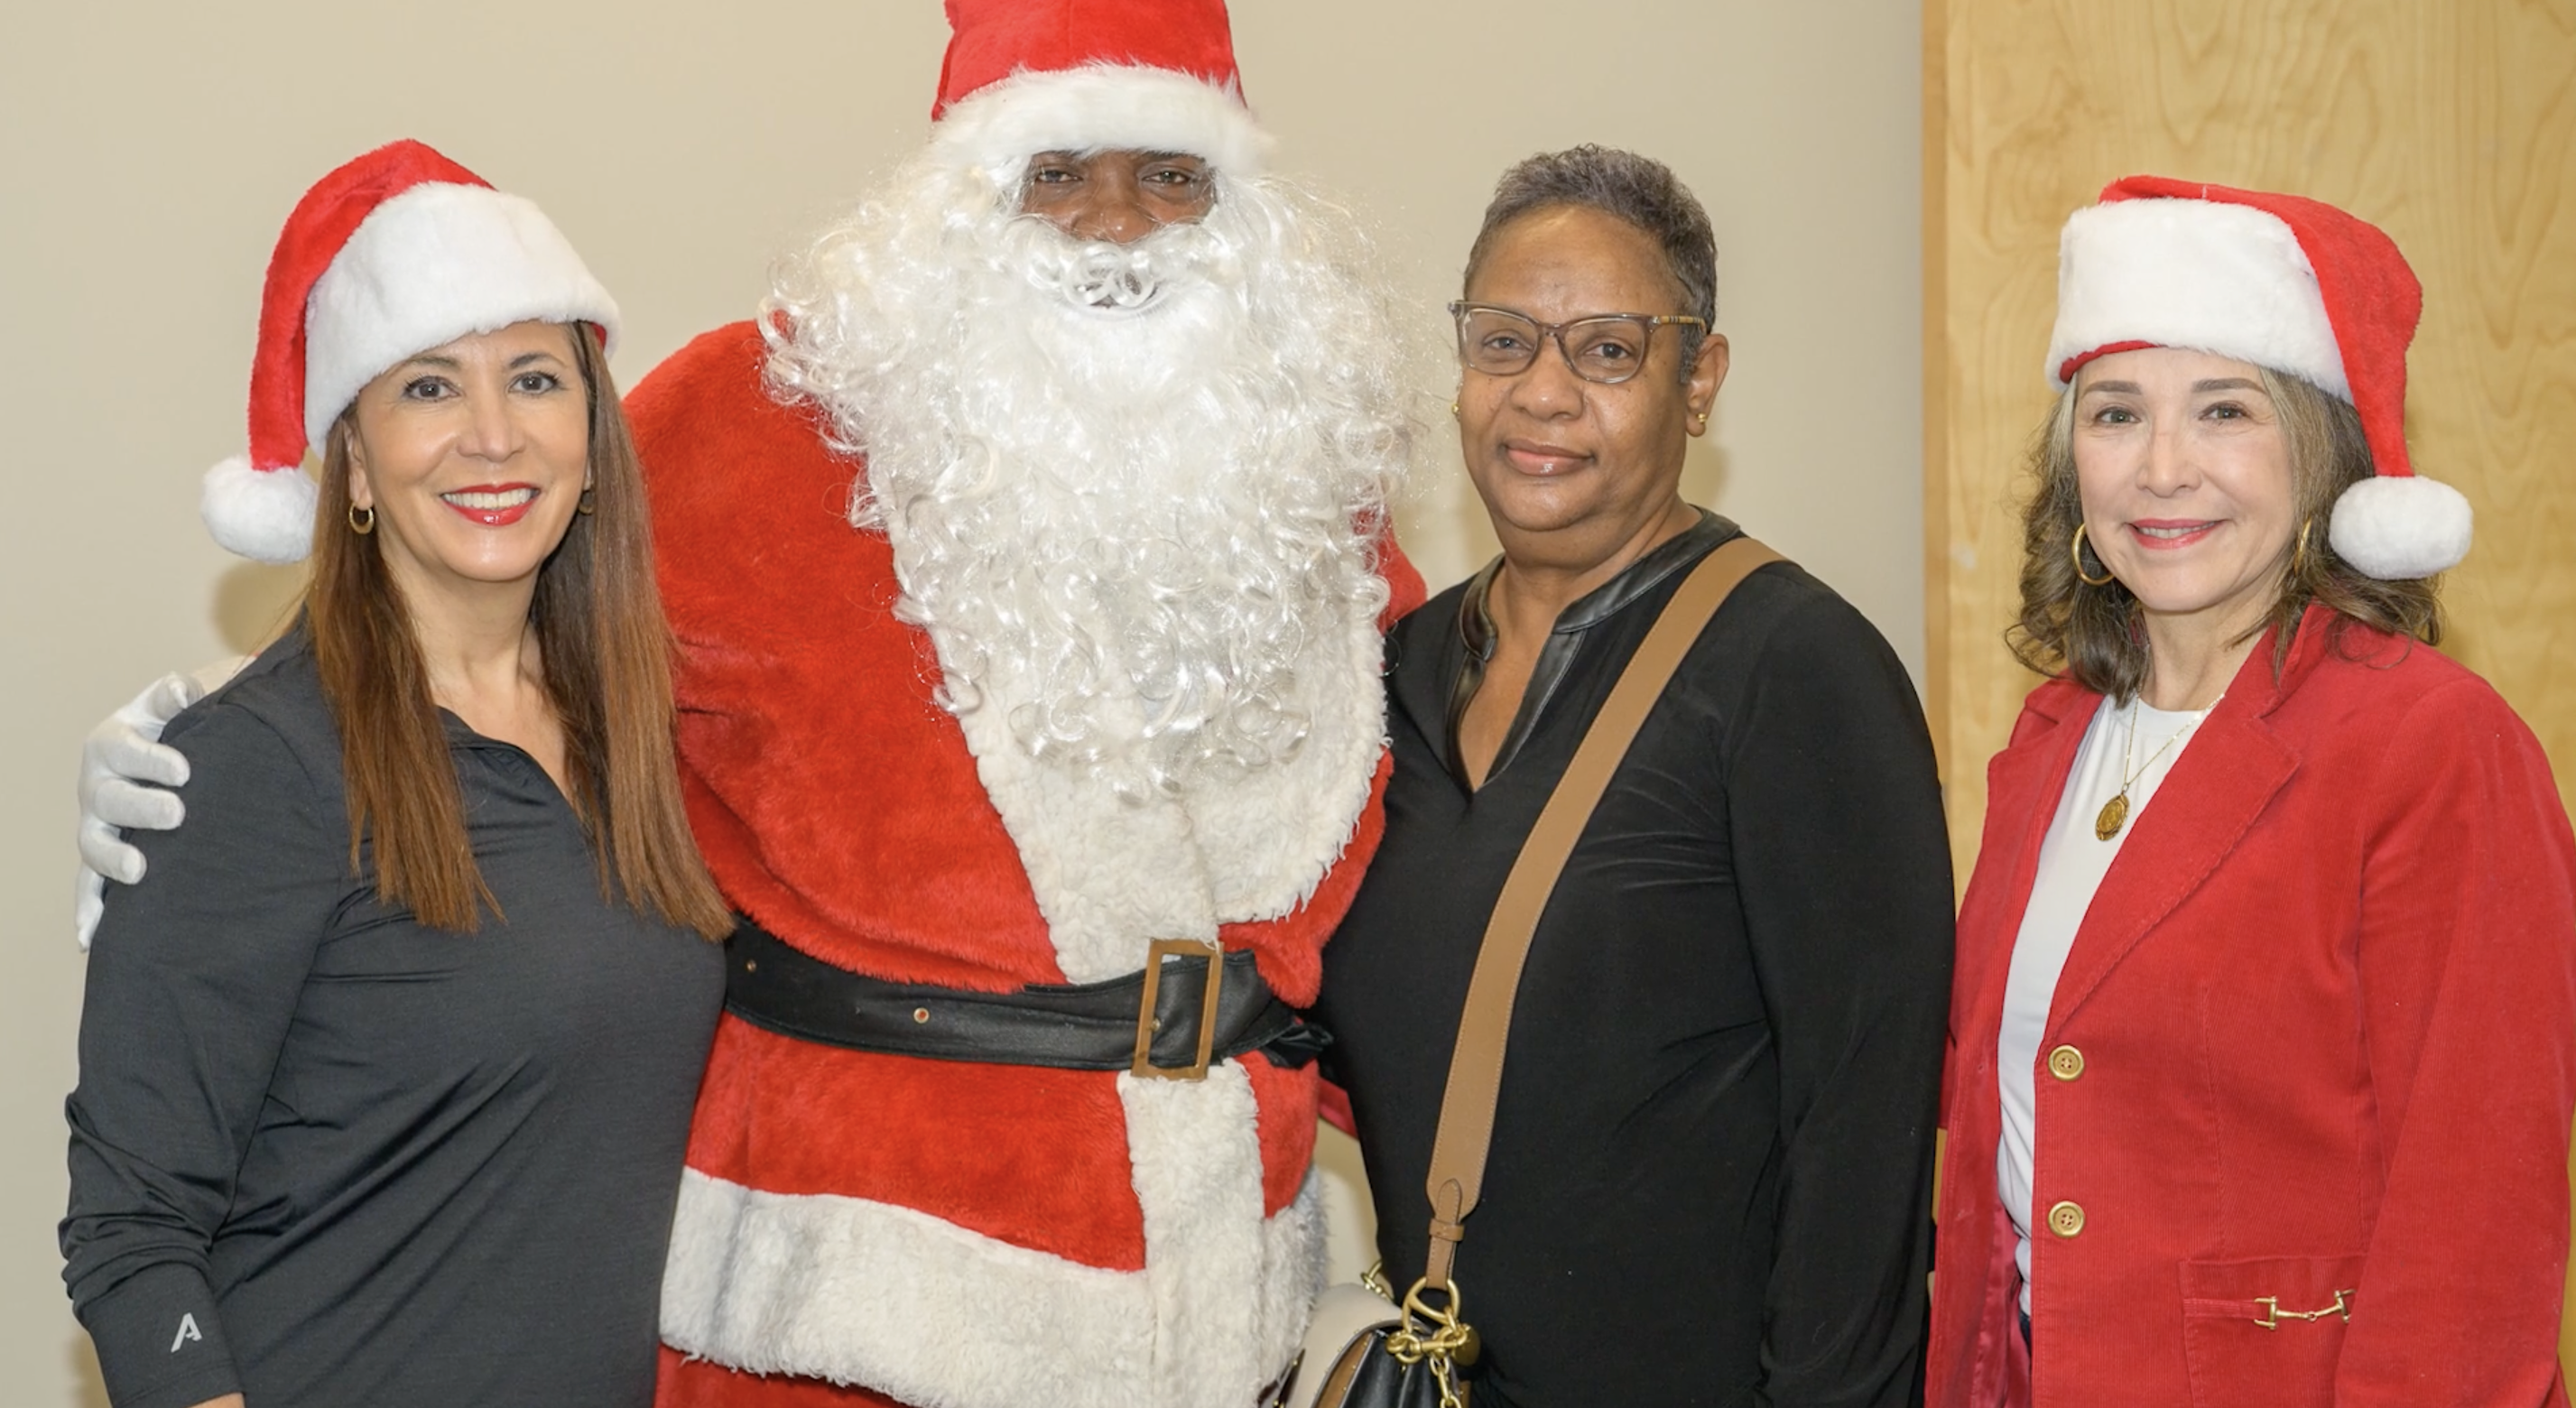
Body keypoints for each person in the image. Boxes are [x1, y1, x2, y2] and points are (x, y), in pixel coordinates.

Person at [75, 5, 1422, 1406]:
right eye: (1056, 169)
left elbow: (1407, 866)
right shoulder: (754, 411)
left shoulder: (1309, 481)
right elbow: (490, 573)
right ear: (961, 195)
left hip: (1220, 1297)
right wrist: (206, 760)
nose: (1115, 222)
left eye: (1173, 173)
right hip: (842, 1311)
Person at [60, 141, 733, 1408]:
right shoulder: (256, 767)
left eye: (535, 379)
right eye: (428, 389)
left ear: (591, 430)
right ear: (353, 463)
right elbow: (131, 1236)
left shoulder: (654, 736)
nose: (492, 435)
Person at [1310, 145, 1955, 1408]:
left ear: (1697, 379)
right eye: (1503, 342)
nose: (1541, 395)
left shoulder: (1794, 669)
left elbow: (1862, 1136)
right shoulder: (1390, 673)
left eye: (1605, 350)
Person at [1925, 177, 2576, 1408]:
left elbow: (2476, 1210)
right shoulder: (2054, 733)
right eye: (2115, 414)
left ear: (2319, 451)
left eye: (2223, 411)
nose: (2161, 469)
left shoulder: (2429, 742)